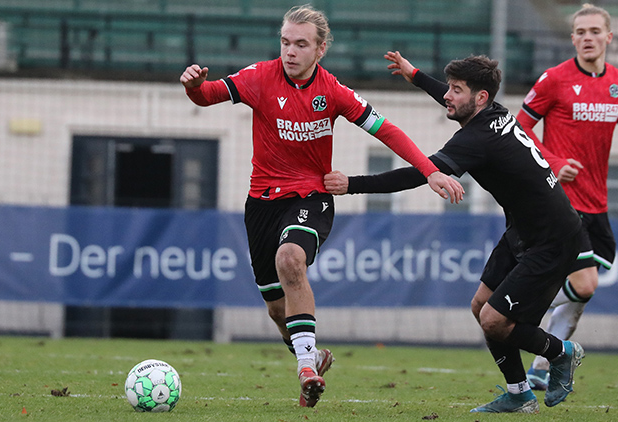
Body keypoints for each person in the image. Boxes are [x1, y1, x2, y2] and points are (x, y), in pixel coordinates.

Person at [179, 4, 463, 408]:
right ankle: (311, 356)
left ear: (321, 49)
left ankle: (305, 369)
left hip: (311, 196)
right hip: (261, 202)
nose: (289, 52)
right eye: (284, 42)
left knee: (291, 258)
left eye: (300, 44)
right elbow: (208, 96)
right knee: (277, 310)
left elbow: (388, 131)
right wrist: (193, 85)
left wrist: (430, 171)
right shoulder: (260, 77)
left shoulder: (332, 91)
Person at [325, 51, 586, 413]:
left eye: (456, 89)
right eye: (448, 87)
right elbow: (454, 100)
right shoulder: (492, 111)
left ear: (480, 97)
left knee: (495, 320)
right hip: (524, 231)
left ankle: (563, 352)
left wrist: (352, 184)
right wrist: (414, 74)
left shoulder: (476, 139)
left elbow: (420, 172)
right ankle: (519, 394)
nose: (448, 95)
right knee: (481, 307)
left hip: (553, 239)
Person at [517, 4, 618, 390]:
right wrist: (552, 160)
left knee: (581, 294)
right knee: (584, 284)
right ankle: (513, 311)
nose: (587, 37)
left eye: (595, 31)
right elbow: (519, 128)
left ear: (608, 37)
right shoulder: (554, 79)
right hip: (559, 200)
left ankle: (540, 369)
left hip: (597, 203)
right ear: (572, 39)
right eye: (580, 31)